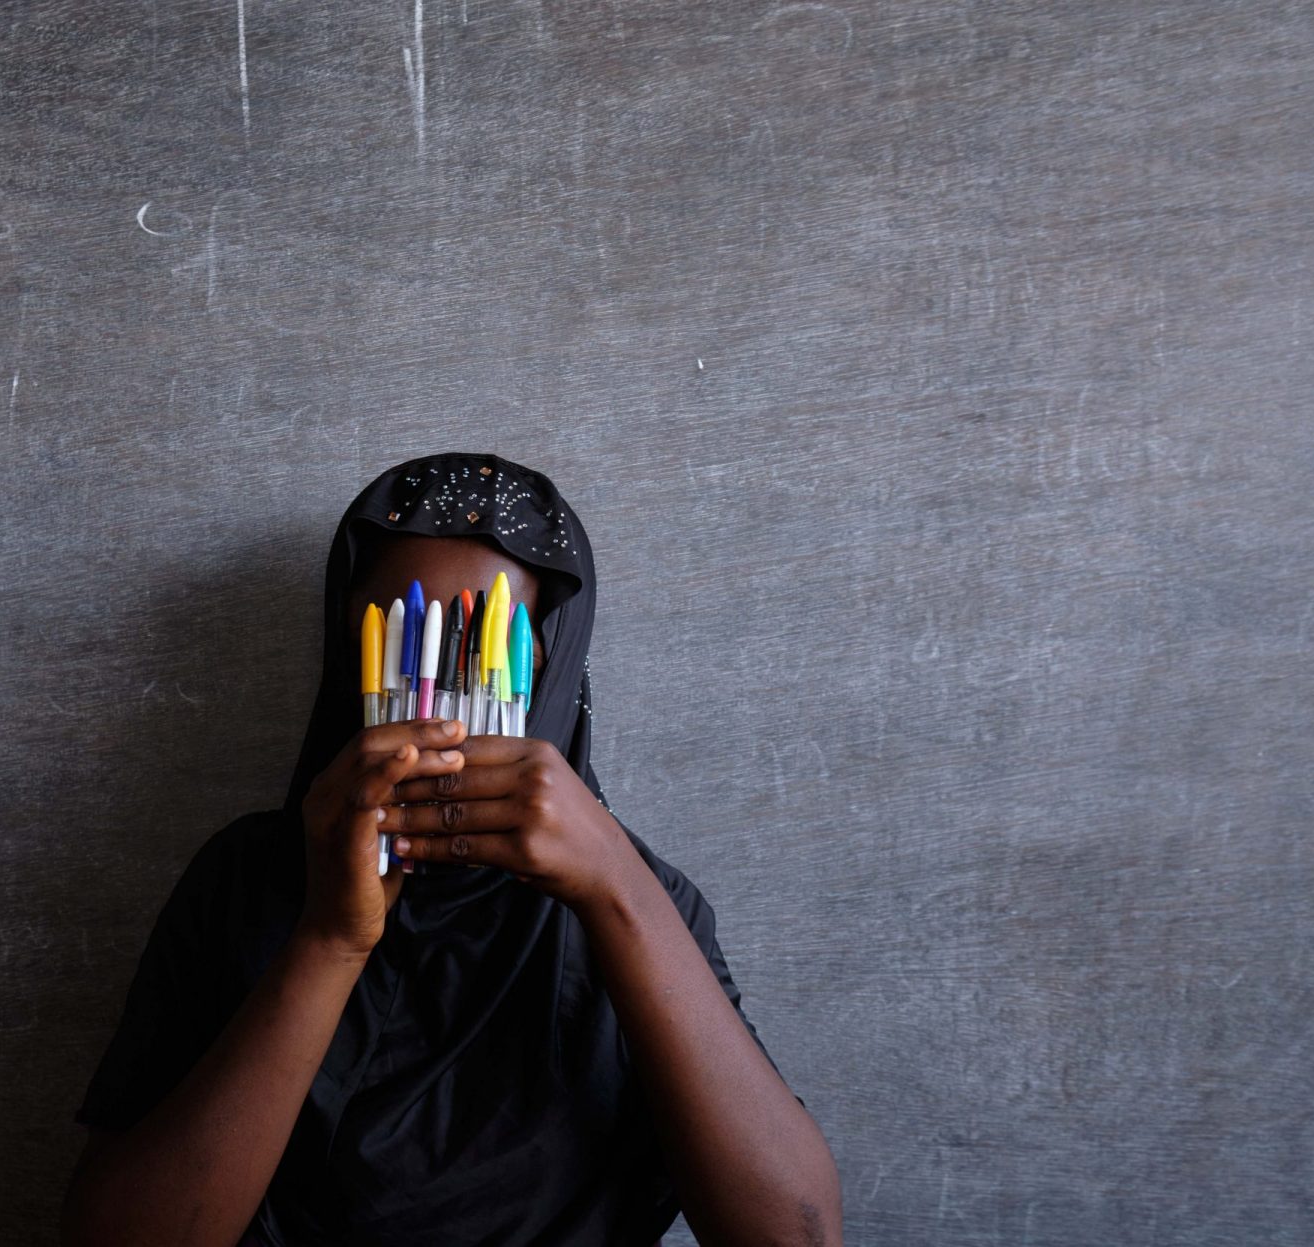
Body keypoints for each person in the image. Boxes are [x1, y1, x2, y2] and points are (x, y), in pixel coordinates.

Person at [61, 453, 840, 1246]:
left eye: (476, 659)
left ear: (550, 670)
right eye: (406, 658)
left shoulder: (638, 901)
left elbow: (794, 1236)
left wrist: (616, 886)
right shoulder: (244, 880)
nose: (436, 718)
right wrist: (331, 939)